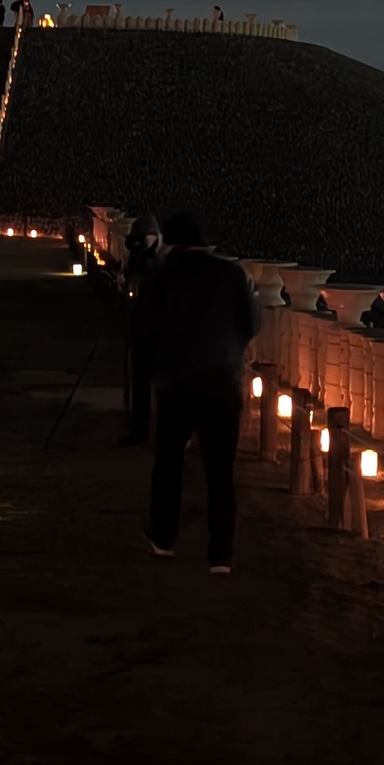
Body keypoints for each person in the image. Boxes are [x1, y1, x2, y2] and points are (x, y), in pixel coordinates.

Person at [134, 213, 256, 572]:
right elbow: (250, 324)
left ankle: (163, 539)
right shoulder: (231, 274)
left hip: (176, 384)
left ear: (169, 240)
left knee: (169, 463)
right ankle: (220, 555)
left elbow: (143, 330)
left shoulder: (160, 276)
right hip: (221, 384)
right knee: (221, 473)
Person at [120, 213, 162, 445]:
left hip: (154, 327)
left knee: (154, 383)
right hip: (140, 324)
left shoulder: (157, 263)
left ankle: (147, 430)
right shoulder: (139, 258)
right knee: (140, 381)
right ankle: (139, 429)